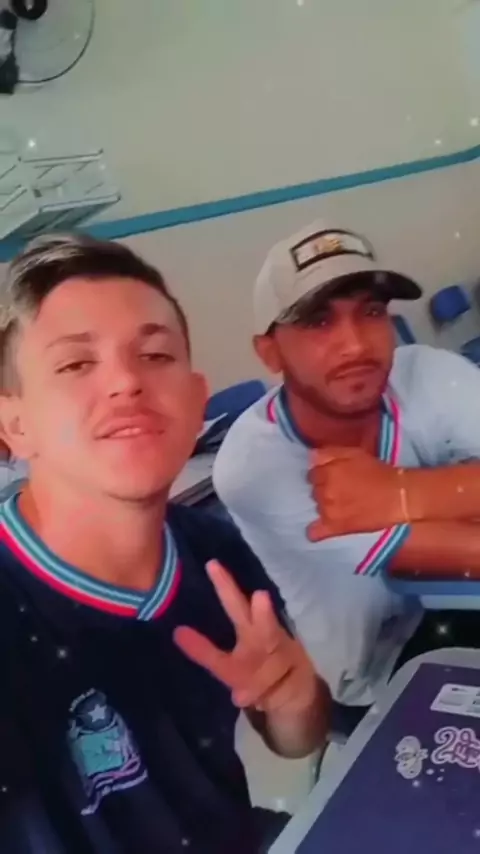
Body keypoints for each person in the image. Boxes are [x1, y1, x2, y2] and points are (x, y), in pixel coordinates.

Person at [0, 234, 329, 854]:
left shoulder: (217, 554)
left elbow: (296, 738)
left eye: (154, 355)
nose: (127, 381)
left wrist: (293, 697)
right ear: (14, 423)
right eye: (75, 364)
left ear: (197, 400)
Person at [214, 219, 480, 714]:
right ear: (269, 352)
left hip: (451, 609)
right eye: (318, 321)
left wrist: (404, 493)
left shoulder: (425, 372)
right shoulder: (255, 466)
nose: (356, 345)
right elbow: (445, 559)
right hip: (375, 675)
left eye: (371, 312)